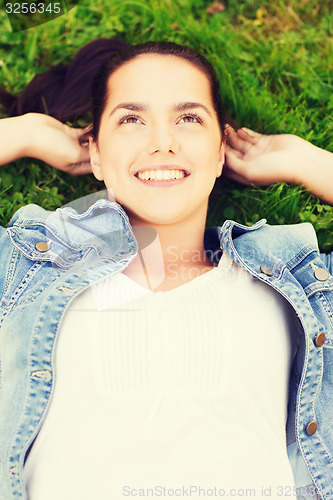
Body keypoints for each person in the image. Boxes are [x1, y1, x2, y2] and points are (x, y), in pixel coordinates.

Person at [0, 40, 332, 500]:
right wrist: (25, 134)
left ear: (220, 152)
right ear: (95, 154)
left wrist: (306, 162)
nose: (162, 142)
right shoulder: (24, 271)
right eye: (131, 119)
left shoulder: (299, 286)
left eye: (189, 118)